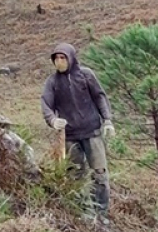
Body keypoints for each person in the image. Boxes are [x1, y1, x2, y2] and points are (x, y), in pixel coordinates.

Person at [41, 43, 115, 217]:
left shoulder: (86, 75)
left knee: (100, 174)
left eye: (63, 58)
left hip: (92, 133)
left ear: (71, 58)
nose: (59, 62)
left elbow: (100, 97)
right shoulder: (52, 82)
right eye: (56, 58)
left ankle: (101, 213)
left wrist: (108, 120)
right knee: (76, 176)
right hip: (70, 137)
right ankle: (84, 214)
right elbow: (45, 104)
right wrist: (52, 120)